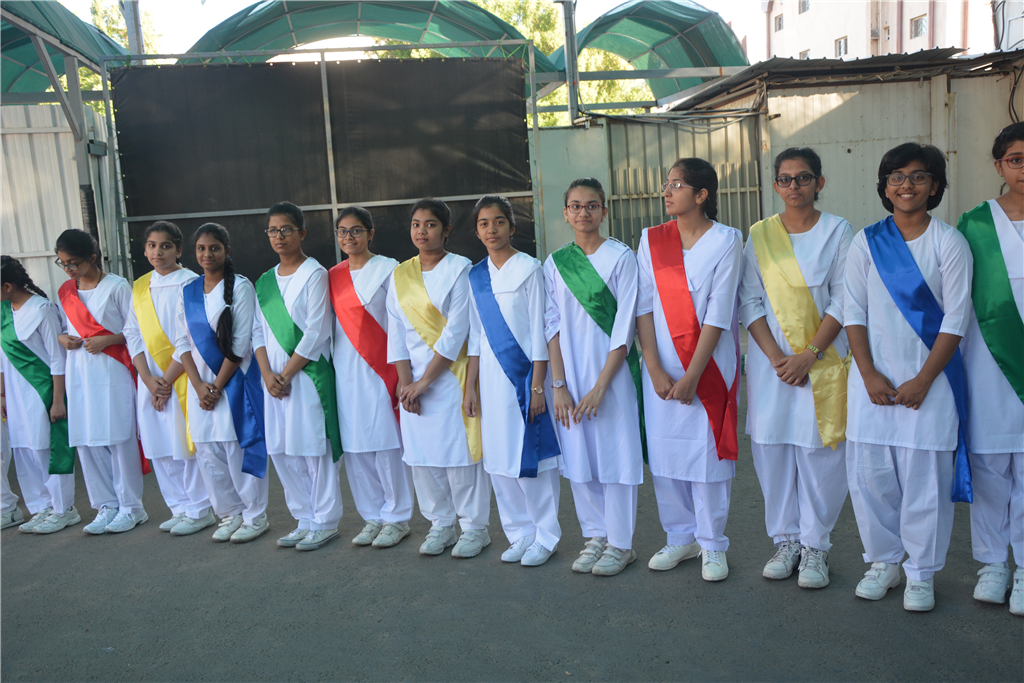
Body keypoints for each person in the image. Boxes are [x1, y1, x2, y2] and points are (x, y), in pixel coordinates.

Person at [844, 143, 973, 612]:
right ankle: (884, 562)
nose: (907, 185)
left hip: (931, 384)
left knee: (925, 483)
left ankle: (921, 572)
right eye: (896, 176)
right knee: (872, 478)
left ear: (934, 186)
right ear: (884, 186)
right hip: (873, 382)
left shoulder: (949, 242)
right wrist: (867, 372)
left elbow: (956, 319)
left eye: (919, 176)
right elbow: (852, 311)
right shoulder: (866, 241)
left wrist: (923, 379)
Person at [739, 148, 853, 588]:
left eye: (803, 178)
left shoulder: (838, 231)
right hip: (772, 366)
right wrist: (775, 358)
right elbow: (749, 300)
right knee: (772, 451)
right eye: (785, 179)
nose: (794, 186)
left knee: (819, 452)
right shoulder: (760, 235)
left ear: (819, 182)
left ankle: (815, 546)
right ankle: (785, 541)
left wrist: (809, 354)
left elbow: (844, 298)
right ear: (775, 186)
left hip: (821, 362)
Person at [637, 159, 741, 582]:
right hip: (661, 367)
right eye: (666, 183)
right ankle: (680, 537)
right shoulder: (651, 239)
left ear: (701, 194)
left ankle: (713, 543)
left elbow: (719, 312)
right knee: (667, 453)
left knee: (707, 455)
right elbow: (644, 307)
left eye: (676, 184)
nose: (667, 191)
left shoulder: (727, 240)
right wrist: (654, 368)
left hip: (708, 367)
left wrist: (693, 375)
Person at [545, 178, 643, 576]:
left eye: (591, 205)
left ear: (604, 211)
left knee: (615, 456)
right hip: (569, 377)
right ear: (565, 213)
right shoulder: (555, 263)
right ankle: (596, 535)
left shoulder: (622, 257)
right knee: (579, 455)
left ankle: (621, 543)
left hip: (613, 377)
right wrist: (558, 385)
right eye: (575, 206)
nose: (583, 212)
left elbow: (625, 326)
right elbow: (551, 325)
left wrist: (602, 386)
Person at [387, 198, 490, 558]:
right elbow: (396, 334)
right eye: (416, 224)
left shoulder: (460, 269)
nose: (422, 231)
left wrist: (424, 382)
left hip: (451, 378)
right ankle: (440, 524)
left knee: (459, 456)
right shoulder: (400, 275)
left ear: (446, 230)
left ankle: (474, 528)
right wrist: (406, 385)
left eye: (430, 224)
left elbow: (456, 332)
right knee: (423, 459)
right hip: (413, 382)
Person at [464, 195, 562, 567]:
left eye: (499, 221)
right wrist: (470, 386)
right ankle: (519, 532)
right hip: (490, 383)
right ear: (477, 232)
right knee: (500, 459)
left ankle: (545, 535)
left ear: (512, 226)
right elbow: (476, 335)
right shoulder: (476, 276)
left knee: (531, 456)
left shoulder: (529, 268)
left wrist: (537, 386)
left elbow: (539, 330)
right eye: (484, 223)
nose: (492, 229)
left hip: (525, 379)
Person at [957, 122, 1024, 616]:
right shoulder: (975, 224)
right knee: (990, 468)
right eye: (1016, 159)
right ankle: (993, 563)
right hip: (988, 363)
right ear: (999, 165)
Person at [252, 202, 344, 551]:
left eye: (286, 229)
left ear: (301, 233)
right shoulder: (264, 281)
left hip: (306, 377)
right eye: (273, 231)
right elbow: (257, 333)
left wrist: (286, 374)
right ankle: (303, 518)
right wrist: (267, 374)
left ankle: (325, 521)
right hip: (273, 382)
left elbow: (316, 331)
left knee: (313, 449)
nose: (279, 236)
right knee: (283, 450)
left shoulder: (315, 274)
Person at [175, 223, 271, 543]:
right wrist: (198, 385)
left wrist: (215, 387)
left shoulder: (241, 287)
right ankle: (230, 514)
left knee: (237, 448)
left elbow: (240, 344)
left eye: (214, 248)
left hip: (233, 382)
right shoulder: (187, 290)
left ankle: (255, 515)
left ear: (226, 251)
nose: (207, 254)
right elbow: (182, 343)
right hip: (200, 386)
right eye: (201, 249)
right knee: (208, 452)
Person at [328, 207, 414, 549]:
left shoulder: (389, 269)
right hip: (346, 370)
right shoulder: (333, 275)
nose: (349, 237)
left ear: (370, 233)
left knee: (385, 443)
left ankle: (396, 517)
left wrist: (402, 373)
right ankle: (372, 516)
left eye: (356, 230)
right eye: (343, 231)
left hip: (382, 368)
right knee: (356, 445)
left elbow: (399, 321)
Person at [55, 229, 147, 534]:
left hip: (112, 370)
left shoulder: (117, 287)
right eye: (63, 263)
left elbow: (135, 330)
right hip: (79, 372)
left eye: (73, 263)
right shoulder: (66, 291)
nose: (68, 269)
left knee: (118, 437)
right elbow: (63, 327)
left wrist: (107, 339)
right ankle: (106, 505)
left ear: (92, 258)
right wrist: (63, 339)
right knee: (87, 440)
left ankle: (132, 507)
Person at [125, 222, 214, 536]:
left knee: (183, 443)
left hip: (182, 376)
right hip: (150, 379)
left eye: (165, 246)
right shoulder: (139, 287)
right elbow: (132, 334)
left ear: (178, 249)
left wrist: (165, 380)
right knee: (159, 443)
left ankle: (200, 508)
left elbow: (190, 334)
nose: (157, 252)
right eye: (151, 245)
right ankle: (178, 507)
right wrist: (148, 379)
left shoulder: (191, 283)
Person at [0, 255, 77, 534]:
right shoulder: (3, 312)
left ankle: (64, 509)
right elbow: (2, 359)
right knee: (24, 450)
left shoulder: (42, 309)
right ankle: (42, 506)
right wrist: (2, 395)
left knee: (48, 450)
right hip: (15, 395)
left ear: (7, 286)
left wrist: (57, 400)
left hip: (42, 391)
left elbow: (57, 359)